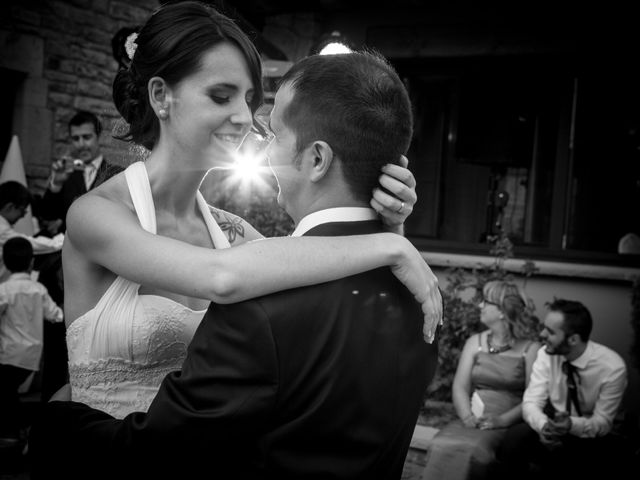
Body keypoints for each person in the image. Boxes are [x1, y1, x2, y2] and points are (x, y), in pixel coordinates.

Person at [30, 47, 439, 480]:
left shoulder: (252, 274)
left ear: (317, 159)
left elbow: (160, 449)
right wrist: (388, 240)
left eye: (254, 105)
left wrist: (58, 422)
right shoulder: (417, 295)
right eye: (223, 96)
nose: (248, 122)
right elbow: (228, 276)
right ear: (160, 96)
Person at [496, 299, 630, 479]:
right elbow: (531, 402)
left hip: (592, 436)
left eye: (550, 332)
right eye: (544, 327)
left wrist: (571, 426)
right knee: (515, 438)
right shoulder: (546, 354)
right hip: (553, 425)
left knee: (604, 454)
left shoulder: (612, 367)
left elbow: (602, 423)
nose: (542, 334)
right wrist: (543, 426)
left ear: (573, 339)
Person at [421, 280, 541, 480]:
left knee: (476, 452)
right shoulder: (474, 342)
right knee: (439, 445)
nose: (480, 306)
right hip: (472, 419)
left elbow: (533, 398)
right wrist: (467, 416)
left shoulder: (531, 349)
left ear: (502, 311)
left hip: (507, 421)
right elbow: (460, 387)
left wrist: (500, 421)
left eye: (486, 302)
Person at [0, 237, 63, 445]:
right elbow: (56, 315)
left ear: (5, 263)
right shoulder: (39, 289)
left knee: (6, 392)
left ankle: (22, 430)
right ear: (31, 263)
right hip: (33, 354)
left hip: (9, 352)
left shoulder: (4, 290)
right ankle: (20, 430)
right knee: (8, 391)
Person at [40, 110, 124, 234]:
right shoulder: (64, 175)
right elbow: (47, 217)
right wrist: (56, 184)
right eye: (76, 139)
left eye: (86, 137)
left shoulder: (117, 174)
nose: (81, 144)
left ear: (98, 137)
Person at [0, 181, 63, 283]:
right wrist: (61, 242)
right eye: (22, 210)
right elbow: (26, 244)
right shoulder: (2, 229)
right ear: (10, 207)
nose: (23, 215)